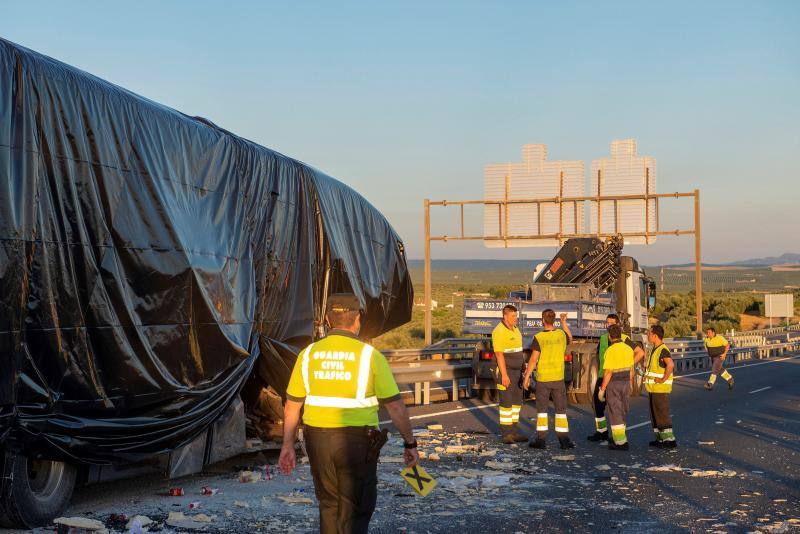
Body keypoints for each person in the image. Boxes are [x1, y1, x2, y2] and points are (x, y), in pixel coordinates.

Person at [279, 293, 419, 534]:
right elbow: (395, 406)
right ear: (358, 319)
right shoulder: (369, 356)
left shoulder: (308, 354)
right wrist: (410, 443)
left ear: (327, 319)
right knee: (355, 508)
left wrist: (287, 446)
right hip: (358, 443)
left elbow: (292, 405)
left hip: (317, 440)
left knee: (329, 505)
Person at [523, 309, 575, 450]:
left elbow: (533, 359)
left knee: (542, 411)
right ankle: (564, 441)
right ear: (554, 320)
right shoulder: (561, 334)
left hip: (543, 380)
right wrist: (564, 323)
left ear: (542, 320)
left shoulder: (539, 337)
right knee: (560, 411)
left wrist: (526, 377)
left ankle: (541, 440)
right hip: (558, 379)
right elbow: (570, 338)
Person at [587, 314, 631, 442]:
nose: (609, 325)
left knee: (617, 408)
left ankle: (619, 436)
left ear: (617, 324)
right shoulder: (603, 338)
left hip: (614, 377)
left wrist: (628, 365)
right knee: (597, 403)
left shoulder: (624, 338)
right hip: (603, 375)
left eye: (612, 323)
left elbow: (639, 352)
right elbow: (599, 357)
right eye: (607, 322)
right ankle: (601, 431)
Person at [597, 325, 641, 451]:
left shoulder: (610, 350)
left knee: (615, 412)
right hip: (626, 382)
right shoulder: (628, 349)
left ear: (610, 336)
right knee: (622, 410)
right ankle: (621, 437)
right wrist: (631, 383)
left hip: (614, 384)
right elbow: (631, 369)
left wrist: (602, 389)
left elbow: (608, 372)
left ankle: (620, 442)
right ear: (620, 335)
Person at [491, 305, 528, 444]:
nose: (515, 319)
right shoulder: (499, 331)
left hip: (517, 372)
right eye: (513, 316)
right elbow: (499, 355)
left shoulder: (516, 330)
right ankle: (506, 434)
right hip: (505, 372)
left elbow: (520, 352)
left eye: (516, 316)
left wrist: (524, 370)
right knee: (506, 404)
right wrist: (504, 375)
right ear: (505, 316)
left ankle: (513, 432)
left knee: (516, 403)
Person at [644, 325, 677, 449]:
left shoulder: (662, 349)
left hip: (660, 388)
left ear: (655, 335)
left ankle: (669, 440)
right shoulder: (655, 348)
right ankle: (660, 439)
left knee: (662, 414)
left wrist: (663, 379)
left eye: (649, 333)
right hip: (653, 388)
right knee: (655, 415)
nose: (647, 335)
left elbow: (670, 365)